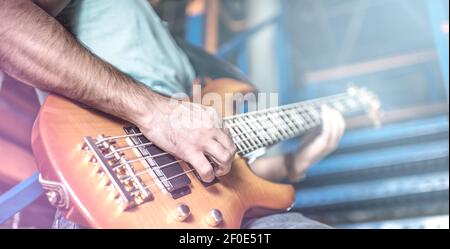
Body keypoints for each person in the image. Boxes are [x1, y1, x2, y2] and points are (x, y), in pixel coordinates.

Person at [0, 0, 345, 229]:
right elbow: (6, 22)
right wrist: (155, 112)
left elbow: (225, 174)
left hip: (205, 215)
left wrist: (293, 164)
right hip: (117, 195)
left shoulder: (177, 51)